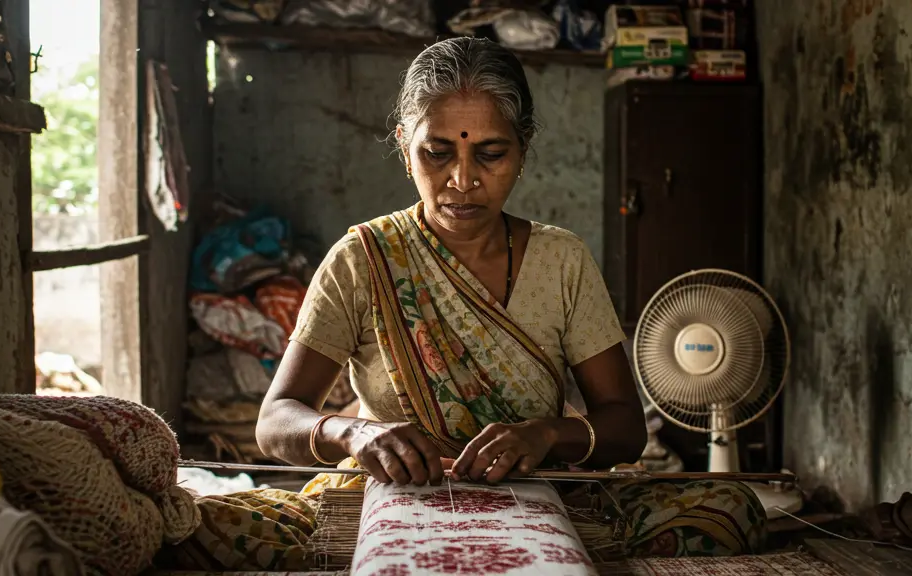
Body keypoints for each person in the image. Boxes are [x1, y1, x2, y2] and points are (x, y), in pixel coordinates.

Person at [247, 36, 766, 567]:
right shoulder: (363, 260)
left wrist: (545, 435)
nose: (464, 179)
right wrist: (354, 432)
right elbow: (275, 420)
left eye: (491, 154)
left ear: (523, 148)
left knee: (729, 507)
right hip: (388, 500)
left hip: (542, 494)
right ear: (405, 147)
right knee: (228, 523)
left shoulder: (561, 260)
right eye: (437, 152)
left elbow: (625, 428)